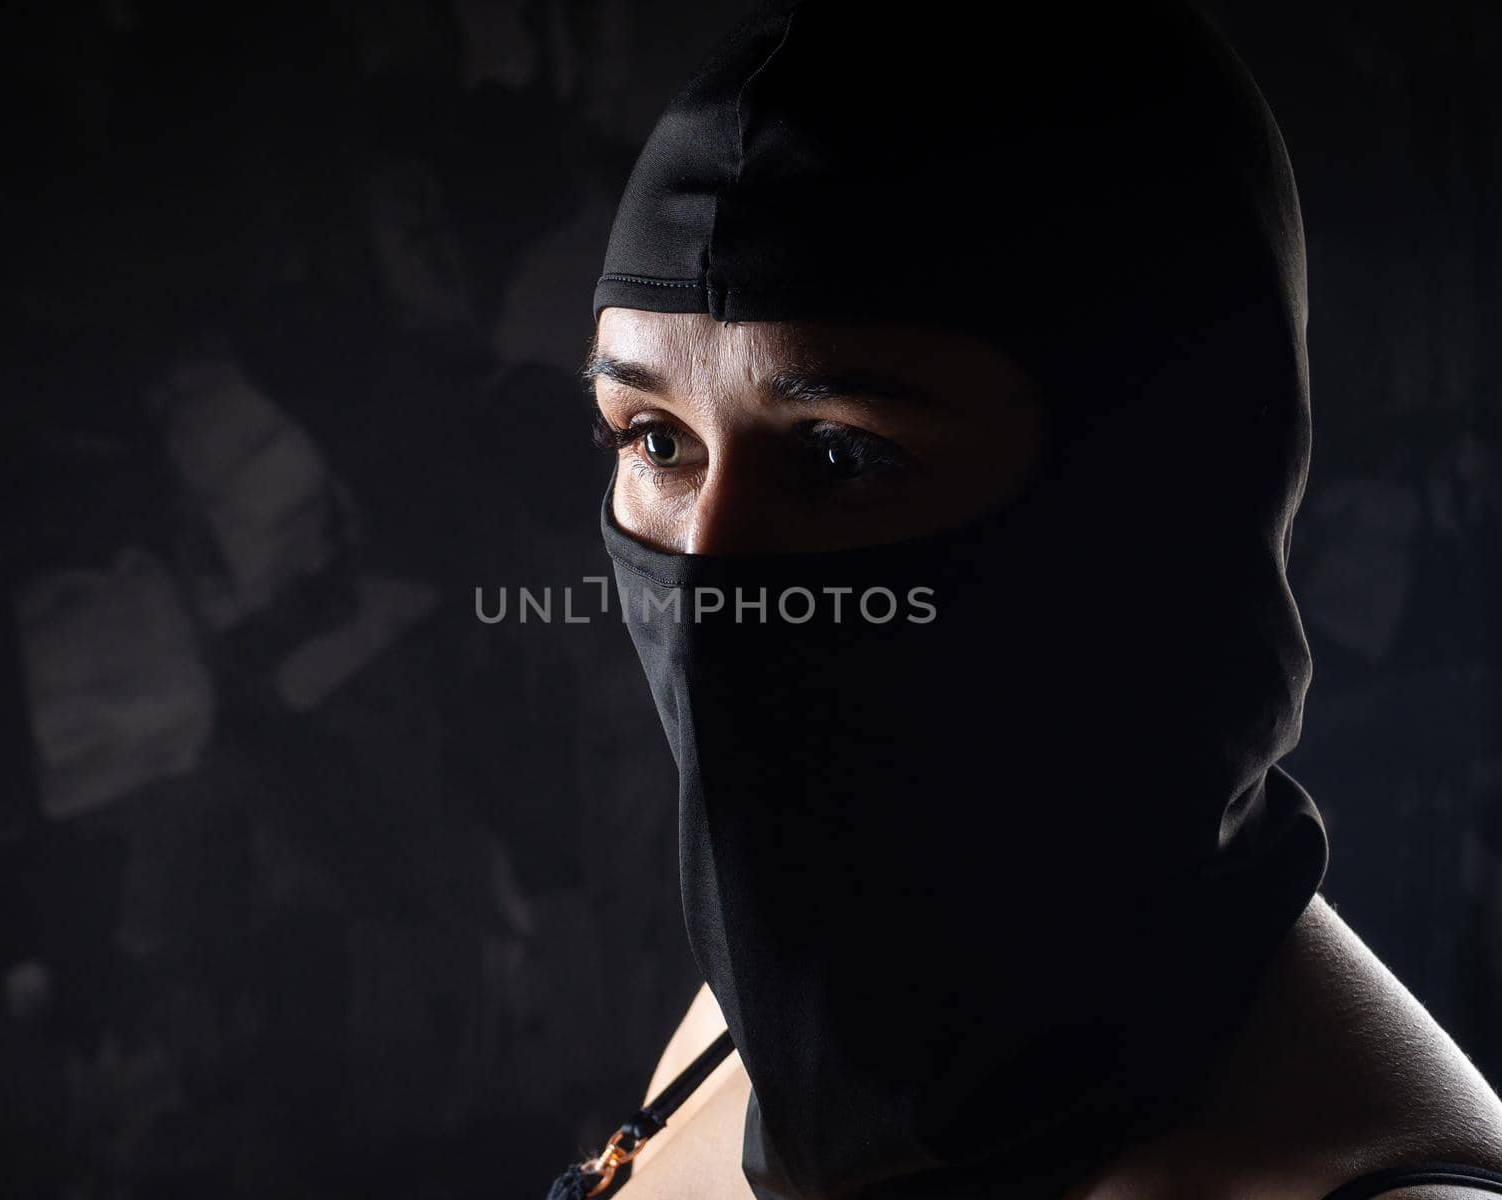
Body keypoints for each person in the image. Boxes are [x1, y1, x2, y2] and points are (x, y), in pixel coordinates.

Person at [567, 2, 1502, 1197]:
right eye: (653, 438)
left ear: (1148, 497)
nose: (715, 579)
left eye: (842, 455)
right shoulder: (744, 1040)